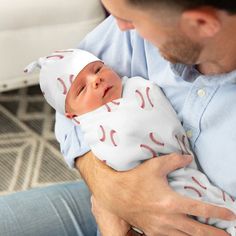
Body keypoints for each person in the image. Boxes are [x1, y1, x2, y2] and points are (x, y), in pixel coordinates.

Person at [0, 1, 236, 235]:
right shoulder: (143, 19)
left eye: (131, 19)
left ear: (201, 24)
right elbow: (66, 103)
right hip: (105, 204)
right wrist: (110, 189)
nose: (119, 26)